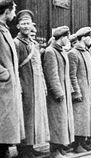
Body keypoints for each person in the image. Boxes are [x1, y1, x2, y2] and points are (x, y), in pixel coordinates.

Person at [14, 10, 49, 158]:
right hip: (25, 85)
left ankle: (31, 145)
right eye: (23, 23)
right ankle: (23, 149)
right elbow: (14, 67)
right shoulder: (16, 43)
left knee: (35, 117)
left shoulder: (34, 44)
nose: (26, 26)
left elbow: (39, 67)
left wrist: (44, 85)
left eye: (28, 23)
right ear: (18, 26)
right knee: (26, 116)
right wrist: (19, 86)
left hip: (36, 85)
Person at [68, 27, 91, 152]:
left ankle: (83, 142)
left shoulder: (86, 52)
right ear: (82, 38)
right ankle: (77, 144)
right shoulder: (73, 53)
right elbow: (72, 75)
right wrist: (76, 92)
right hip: (81, 90)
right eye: (89, 36)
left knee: (87, 117)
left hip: (89, 89)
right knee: (79, 118)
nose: (90, 39)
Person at [43, 26, 75, 158]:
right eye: (67, 37)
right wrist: (58, 92)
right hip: (57, 94)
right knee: (56, 121)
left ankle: (60, 147)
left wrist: (69, 90)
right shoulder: (51, 51)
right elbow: (52, 75)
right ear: (61, 38)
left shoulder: (61, 51)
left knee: (62, 121)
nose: (68, 40)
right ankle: (54, 150)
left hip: (64, 91)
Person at [0, 1, 24, 157]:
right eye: (14, 11)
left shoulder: (4, 30)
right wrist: (4, 74)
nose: (15, 15)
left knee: (5, 131)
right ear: (7, 12)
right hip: (3, 87)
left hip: (7, 88)